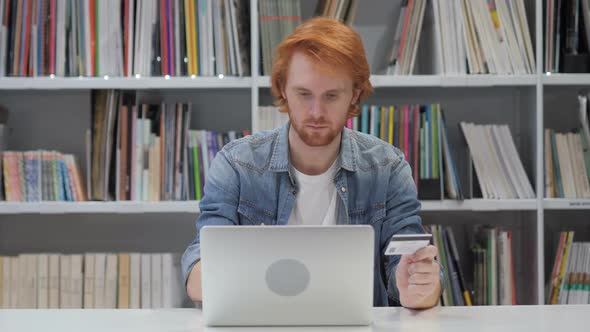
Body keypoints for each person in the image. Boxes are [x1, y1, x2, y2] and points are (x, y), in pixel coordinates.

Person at [181, 17, 443, 308]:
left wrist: (417, 287)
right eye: (304, 94)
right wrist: (210, 274)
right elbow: (197, 269)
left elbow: (408, 265)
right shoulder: (236, 165)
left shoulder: (388, 169)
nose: (316, 112)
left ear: (354, 93)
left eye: (331, 96)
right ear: (283, 89)